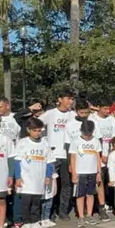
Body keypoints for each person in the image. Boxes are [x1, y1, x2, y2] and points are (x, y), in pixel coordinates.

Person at [40, 90, 76, 220]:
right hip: (52, 155)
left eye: (72, 99)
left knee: (66, 184)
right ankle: (50, 211)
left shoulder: (73, 115)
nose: (70, 102)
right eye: (68, 98)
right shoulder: (50, 114)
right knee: (52, 184)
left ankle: (63, 211)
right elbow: (36, 124)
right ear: (60, 99)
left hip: (67, 154)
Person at [14, 118, 54, 228]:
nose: (37, 133)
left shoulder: (45, 143)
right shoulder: (23, 143)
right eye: (34, 130)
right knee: (26, 202)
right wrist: (18, 177)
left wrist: (47, 176)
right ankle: (26, 224)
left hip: (39, 178)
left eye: (39, 130)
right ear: (28, 130)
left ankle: (35, 222)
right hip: (26, 179)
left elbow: (49, 161)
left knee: (36, 202)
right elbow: (17, 161)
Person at [70, 120, 103, 227]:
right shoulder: (76, 141)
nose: (87, 136)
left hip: (92, 171)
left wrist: (99, 172)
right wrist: (74, 173)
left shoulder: (96, 141)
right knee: (80, 195)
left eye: (89, 133)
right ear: (81, 131)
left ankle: (89, 214)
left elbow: (98, 157)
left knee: (91, 194)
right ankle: (81, 216)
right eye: (85, 133)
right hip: (80, 172)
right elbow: (73, 157)